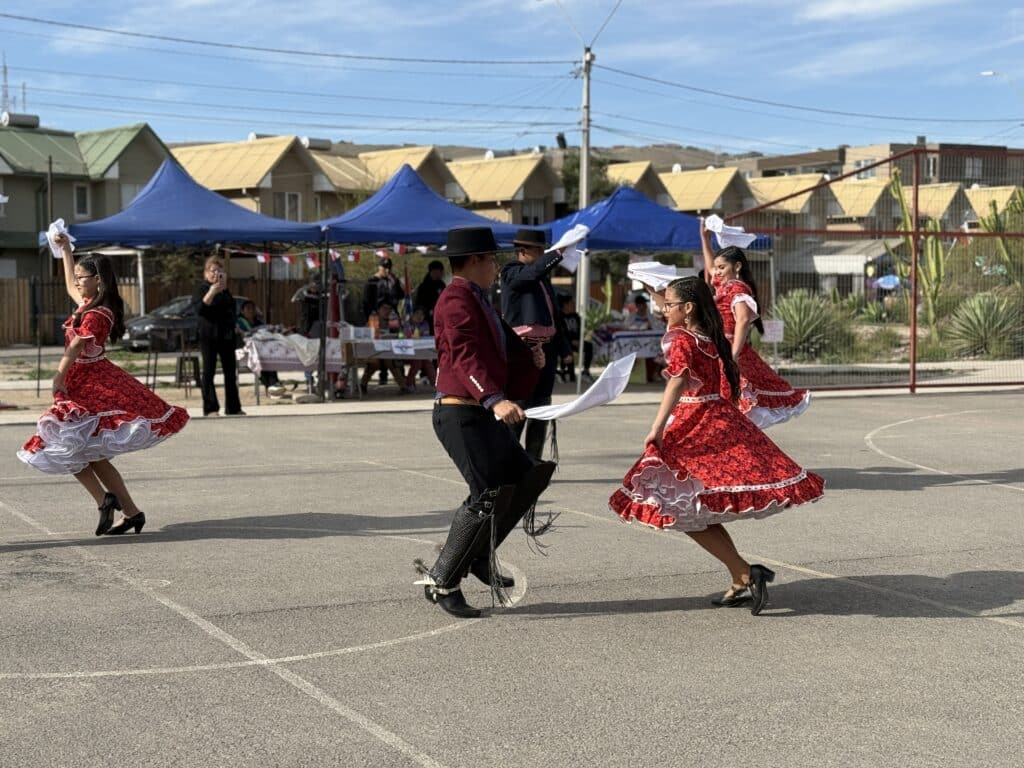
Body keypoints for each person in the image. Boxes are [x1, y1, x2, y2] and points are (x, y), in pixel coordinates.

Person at [609, 276, 824, 615]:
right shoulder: (708, 336)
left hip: (695, 422)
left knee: (678, 506)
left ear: (688, 308)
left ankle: (744, 573)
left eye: (669, 305)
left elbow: (677, 381)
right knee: (695, 506)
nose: (664, 310)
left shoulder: (682, 338)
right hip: (716, 416)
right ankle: (741, 575)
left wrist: (656, 428)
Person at [414, 226, 556, 619]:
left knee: (527, 477)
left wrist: (530, 361)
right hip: (461, 412)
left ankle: (478, 554)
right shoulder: (455, 300)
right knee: (487, 494)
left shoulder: (477, 298)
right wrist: (494, 399)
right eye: (492, 259)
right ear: (475, 261)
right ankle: (444, 580)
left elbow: (503, 350)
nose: (497, 266)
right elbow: (464, 356)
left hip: (479, 411)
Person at [18, 233, 189, 536]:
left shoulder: (99, 313)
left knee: (68, 445)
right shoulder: (87, 303)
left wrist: (58, 375)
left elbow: (77, 345)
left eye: (83, 277)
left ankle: (106, 501)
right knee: (83, 451)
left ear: (98, 280)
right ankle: (130, 512)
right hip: (82, 381)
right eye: (78, 277)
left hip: (93, 384)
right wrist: (66, 250)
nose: (77, 282)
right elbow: (68, 284)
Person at [700, 223, 810, 428]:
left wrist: (733, 355)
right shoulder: (725, 287)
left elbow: (742, 320)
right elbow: (710, 267)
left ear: (737, 267)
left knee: (732, 401)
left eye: (722, 268)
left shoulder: (737, 289)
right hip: (719, 349)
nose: (717, 272)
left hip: (729, 348)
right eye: (718, 268)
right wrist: (705, 239)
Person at [499, 228, 573, 460]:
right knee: (519, 407)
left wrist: (564, 348)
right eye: (539, 250)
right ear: (522, 251)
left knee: (542, 408)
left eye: (544, 250)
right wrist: (557, 253)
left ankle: (534, 462)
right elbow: (530, 274)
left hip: (547, 348)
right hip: (523, 349)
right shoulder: (511, 272)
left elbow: (554, 317)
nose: (543, 254)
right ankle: (509, 462)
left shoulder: (541, 278)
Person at [192, 256, 244, 417]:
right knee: (209, 372)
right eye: (213, 270)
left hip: (226, 335)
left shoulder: (225, 291)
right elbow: (200, 309)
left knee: (230, 372)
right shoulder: (202, 289)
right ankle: (210, 408)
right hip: (209, 335)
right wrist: (212, 291)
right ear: (206, 273)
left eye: (219, 271)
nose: (216, 274)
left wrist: (236, 326)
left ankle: (233, 408)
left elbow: (231, 311)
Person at [236, 300, 287, 398]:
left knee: (269, 360)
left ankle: (273, 386)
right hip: (247, 353)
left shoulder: (258, 322)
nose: (251, 311)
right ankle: (272, 386)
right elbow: (244, 335)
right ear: (242, 311)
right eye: (248, 309)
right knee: (260, 363)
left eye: (253, 308)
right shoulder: (239, 323)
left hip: (262, 351)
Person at [626, 294, 665, 383]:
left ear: (645, 305)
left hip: (649, 342)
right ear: (636, 306)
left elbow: (656, 327)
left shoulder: (650, 316)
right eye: (639, 306)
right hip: (635, 343)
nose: (641, 308)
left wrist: (649, 326)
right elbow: (626, 326)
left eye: (642, 305)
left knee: (657, 353)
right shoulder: (632, 316)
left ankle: (654, 374)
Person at [414, 259, 447, 327]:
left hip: (440, 317)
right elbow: (419, 303)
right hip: (426, 319)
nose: (441, 274)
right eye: (439, 272)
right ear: (433, 272)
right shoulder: (424, 286)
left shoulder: (442, 285)